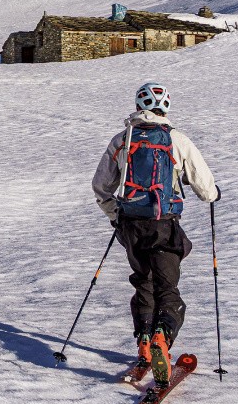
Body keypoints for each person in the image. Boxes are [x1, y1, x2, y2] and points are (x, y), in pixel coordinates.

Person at [93, 81, 219, 386]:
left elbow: (101, 186)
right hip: (165, 225)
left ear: (138, 106)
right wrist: (213, 194)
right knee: (167, 288)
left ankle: (144, 342)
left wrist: (115, 216)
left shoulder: (123, 139)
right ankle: (162, 340)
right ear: (166, 107)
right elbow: (205, 187)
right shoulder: (177, 140)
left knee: (143, 283)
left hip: (131, 226)